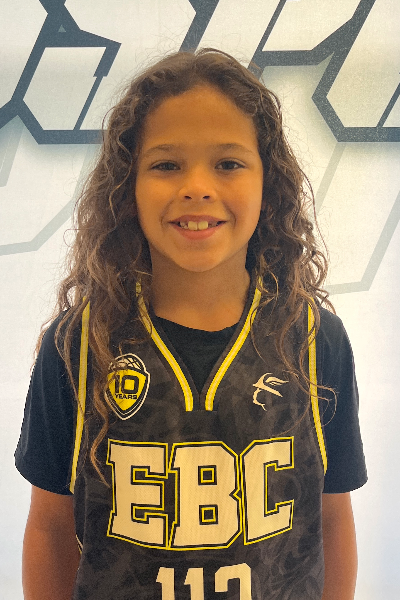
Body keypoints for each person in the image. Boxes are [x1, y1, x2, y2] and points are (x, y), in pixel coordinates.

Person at [15, 47, 367, 600]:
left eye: (228, 163)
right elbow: (51, 528)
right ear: (126, 186)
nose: (197, 187)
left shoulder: (314, 339)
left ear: (268, 182)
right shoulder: (80, 344)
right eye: (166, 164)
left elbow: (332, 518)